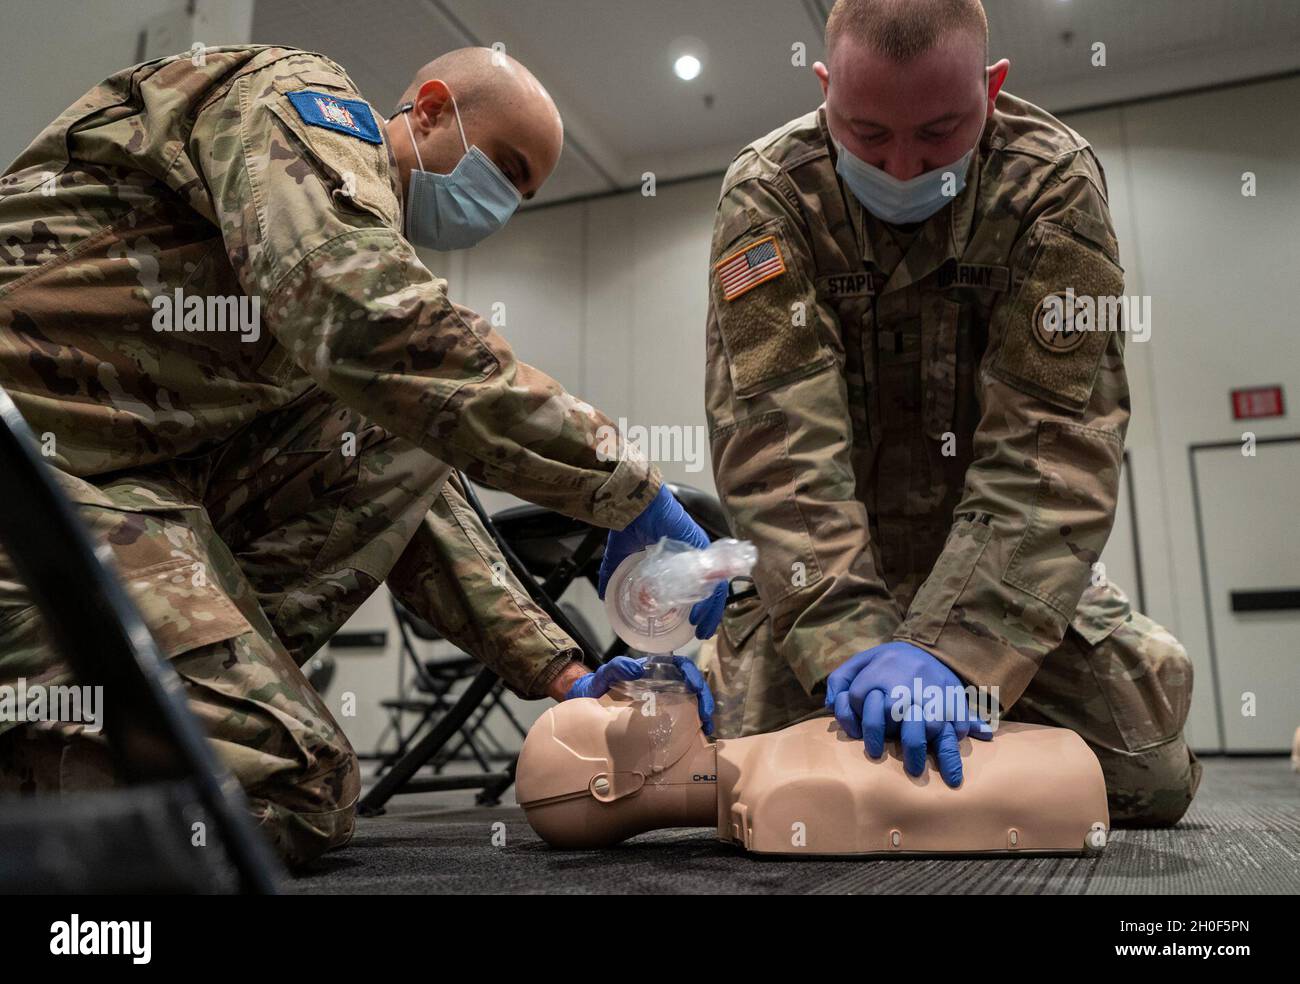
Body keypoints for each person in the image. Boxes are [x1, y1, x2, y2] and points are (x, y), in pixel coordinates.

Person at [0, 43, 720, 866]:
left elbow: (406, 478)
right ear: (432, 108)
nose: (503, 205)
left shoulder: (323, 303)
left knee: (402, 430)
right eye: (507, 169)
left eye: (525, 195)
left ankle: (109, 717)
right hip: (28, 476)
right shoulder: (298, 94)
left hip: (113, 486)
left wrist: (566, 673)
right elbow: (365, 313)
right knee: (283, 788)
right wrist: (625, 486)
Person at [701, 0, 1199, 825]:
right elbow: (779, 451)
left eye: (938, 133)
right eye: (866, 134)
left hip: (992, 566)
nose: (902, 168)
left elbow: (1055, 450)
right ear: (825, 90)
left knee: (1150, 773)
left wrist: (953, 655)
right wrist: (855, 650)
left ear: (993, 88)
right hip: (824, 573)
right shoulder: (769, 195)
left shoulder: (1053, 185)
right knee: (727, 779)